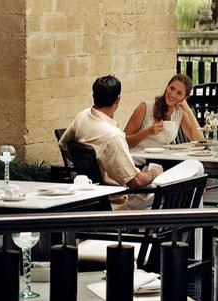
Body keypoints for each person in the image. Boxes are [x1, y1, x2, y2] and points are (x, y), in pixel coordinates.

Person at [59, 75, 162, 209]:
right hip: (117, 199)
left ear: (94, 95)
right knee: (183, 181)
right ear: (118, 99)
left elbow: (63, 144)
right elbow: (136, 182)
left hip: (94, 195)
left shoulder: (82, 117)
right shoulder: (113, 136)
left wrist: (85, 169)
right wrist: (155, 172)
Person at [124, 73, 205, 150]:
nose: (173, 94)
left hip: (161, 161)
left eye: (179, 93)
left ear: (185, 97)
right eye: (172, 88)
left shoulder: (180, 113)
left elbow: (200, 142)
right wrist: (148, 132)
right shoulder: (145, 108)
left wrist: (188, 110)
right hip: (138, 161)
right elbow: (123, 142)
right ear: (167, 87)